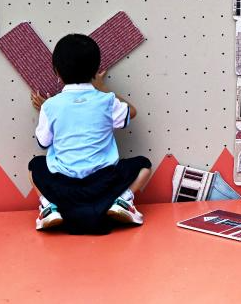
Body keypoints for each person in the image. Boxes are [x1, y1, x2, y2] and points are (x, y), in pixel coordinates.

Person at [28, 34, 152, 234]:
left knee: (35, 167)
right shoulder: (106, 101)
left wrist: (46, 109)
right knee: (144, 165)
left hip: (63, 186)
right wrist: (103, 88)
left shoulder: (50, 106)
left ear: (56, 71)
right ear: (95, 70)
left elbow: (43, 143)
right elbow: (132, 112)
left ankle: (49, 207)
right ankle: (123, 201)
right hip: (103, 184)